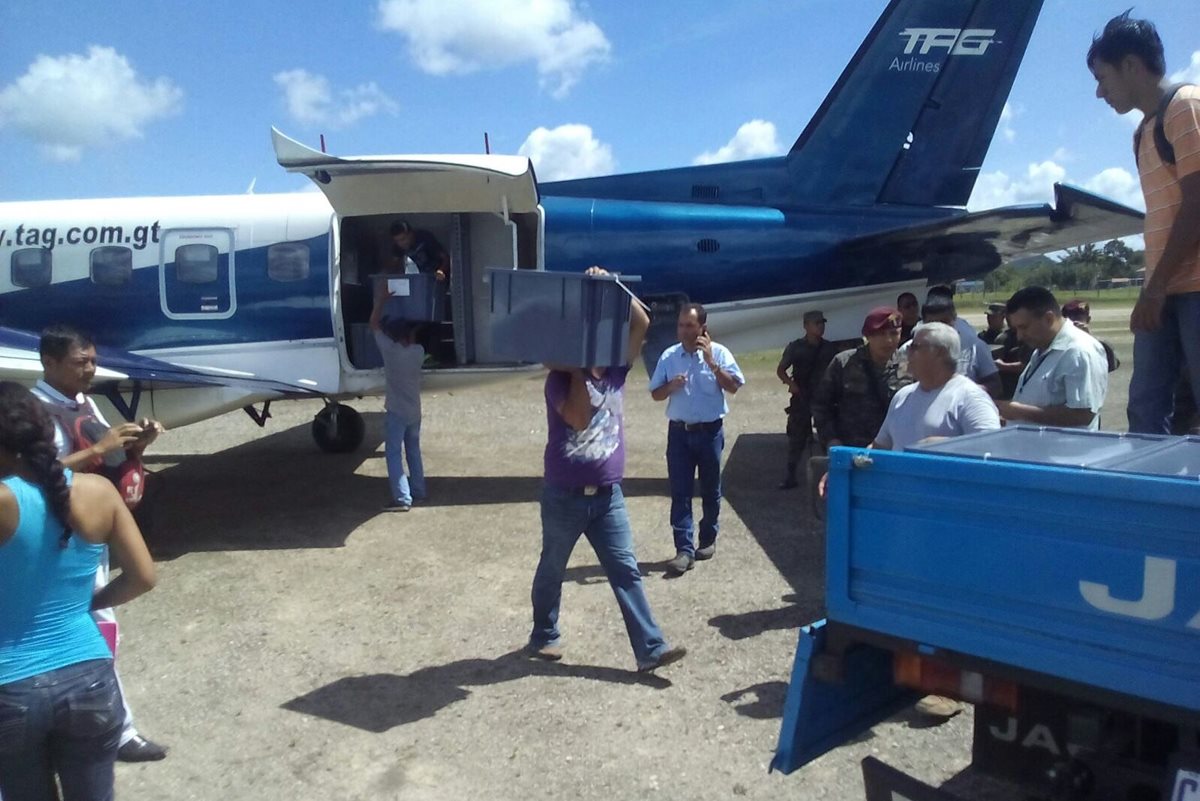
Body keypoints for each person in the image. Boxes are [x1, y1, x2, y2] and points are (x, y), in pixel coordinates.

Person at [0, 381, 157, 801]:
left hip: (9, 685)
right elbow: (143, 576)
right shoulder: (98, 492)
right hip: (89, 676)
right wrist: (86, 604)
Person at [528, 267, 686, 673]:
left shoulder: (616, 370)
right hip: (564, 495)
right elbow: (579, 420)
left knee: (626, 570)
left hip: (607, 495)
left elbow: (642, 320)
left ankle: (651, 648)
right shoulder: (560, 383)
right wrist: (576, 370)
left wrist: (611, 287)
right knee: (553, 567)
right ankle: (544, 634)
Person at [31, 325, 168, 763]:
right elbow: (31, 474)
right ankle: (117, 732)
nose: (91, 369)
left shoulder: (82, 402)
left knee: (99, 634)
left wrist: (135, 444)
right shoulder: (33, 412)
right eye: (80, 362)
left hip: (89, 537)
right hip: (58, 543)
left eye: (92, 360)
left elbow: (105, 454)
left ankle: (106, 729)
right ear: (49, 363)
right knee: (92, 635)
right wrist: (104, 445)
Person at [1087, 12, 1200, 434]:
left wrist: (1154, 289)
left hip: (1189, 287)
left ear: (1131, 65)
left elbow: (1196, 205)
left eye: (1103, 77)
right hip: (1167, 287)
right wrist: (1154, 288)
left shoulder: (1186, 107)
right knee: (1146, 408)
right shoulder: (1143, 131)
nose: (1100, 92)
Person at [649, 304, 746, 576]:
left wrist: (713, 364)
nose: (684, 330)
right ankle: (683, 550)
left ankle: (707, 538)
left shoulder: (720, 353)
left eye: (689, 326)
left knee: (710, 489)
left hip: (710, 432)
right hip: (679, 433)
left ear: (702, 327)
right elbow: (655, 394)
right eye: (681, 325)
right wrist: (670, 387)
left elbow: (734, 386)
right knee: (680, 492)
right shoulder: (669, 356)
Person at [873, 322, 1001, 452]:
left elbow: (991, 448)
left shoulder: (970, 398)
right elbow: (881, 446)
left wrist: (944, 445)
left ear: (940, 352)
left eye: (914, 347)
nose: (907, 352)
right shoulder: (902, 396)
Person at [996, 287, 1108, 430]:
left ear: (1048, 319)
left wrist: (1017, 411)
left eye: (1024, 327)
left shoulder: (1079, 351)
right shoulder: (1043, 346)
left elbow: (1083, 414)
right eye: (1016, 329)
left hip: (1066, 451)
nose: (1019, 336)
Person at [812, 307, 904, 450]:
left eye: (894, 333)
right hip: (852, 448)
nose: (889, 340)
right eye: (881, 334)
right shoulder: (844, 363)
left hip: (894, 450)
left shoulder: (911, 365)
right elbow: (821, 405)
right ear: (868, 336)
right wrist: (831, 440)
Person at [775, 310, 837, 489]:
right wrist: (791, 384)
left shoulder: (829, 348)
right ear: (806, 326)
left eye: (822, 323)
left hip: (823, 398)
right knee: (796, 438)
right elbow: (781, 370)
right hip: (801, 397)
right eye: (817, 323)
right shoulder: (795, 347)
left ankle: (833, 475)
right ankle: (790, 475)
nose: (821, 326)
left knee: (828, 436)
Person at [374, 318, 425, 512]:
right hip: (414, 412)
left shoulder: (390, 352)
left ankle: (403, 498)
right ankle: (419, 491)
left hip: (396, 411)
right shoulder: (418, 352)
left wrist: (381, 299)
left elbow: (374, 324)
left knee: (394, 454)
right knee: (413, 451)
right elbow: (411, 338)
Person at [1061, 299, 1120, 373]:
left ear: (1088, 320)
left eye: (1078, 317)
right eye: (1069, 318)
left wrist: (1089, 337)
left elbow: (1112, 365)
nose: (1073, 321)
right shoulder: (1057, 344)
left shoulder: (1100, 344)